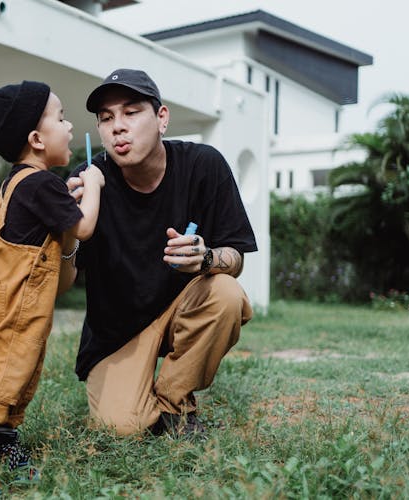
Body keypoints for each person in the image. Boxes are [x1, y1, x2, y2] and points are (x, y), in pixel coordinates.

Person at [63, 68, 256, 437]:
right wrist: (67, 234)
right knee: (122, 427)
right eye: (106, 118)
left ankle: (172, 401)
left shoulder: (204, 165)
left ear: (161, 118)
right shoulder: (89, 182)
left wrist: (208, 258)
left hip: (182, 308)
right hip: (116, 334)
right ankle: (136, 397)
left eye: (131, 112)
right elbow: (64, 284)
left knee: (227, 295)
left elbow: (237, 258)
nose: (118, 127)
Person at [0, 80, 105, 498]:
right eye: (61, 118)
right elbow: (83, 226)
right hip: (16, 303)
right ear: (36, 138)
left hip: (2, 298)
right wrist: (95, 187)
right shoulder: (41, 183)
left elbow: (55, 231)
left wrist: (66, 199)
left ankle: (5, 445)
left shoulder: (21, 182)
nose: (69, 127)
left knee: (19, 373)